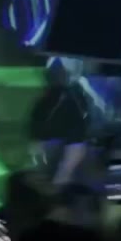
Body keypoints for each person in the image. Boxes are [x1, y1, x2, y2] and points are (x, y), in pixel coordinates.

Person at [28, 57, 90, 186]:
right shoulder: (65, 95)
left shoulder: (71, 94)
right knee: (56, 177)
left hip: (67, 142)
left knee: (59, 177)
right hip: (62, 142)